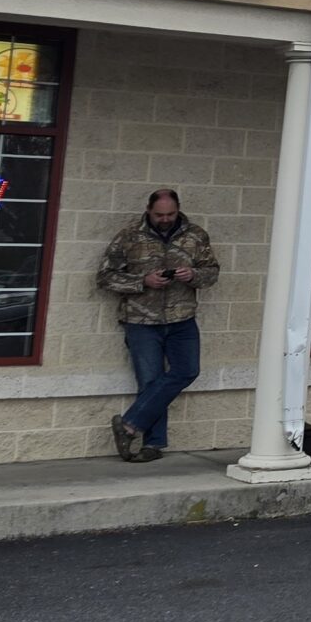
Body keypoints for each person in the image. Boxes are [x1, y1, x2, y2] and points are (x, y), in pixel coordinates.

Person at [95, 188, 220, 462]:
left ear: (178, 210)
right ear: (149, 210)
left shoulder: (196, 235)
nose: (165, 219)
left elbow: (212, 273)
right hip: (141, 320)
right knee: (150, 381)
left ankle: (129, 424)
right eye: (159, 214)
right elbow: (105, 277)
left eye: (170, 214)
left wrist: (193, 275)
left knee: (187, 371)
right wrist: (142, 282)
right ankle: (153, 445)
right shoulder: (129, 236)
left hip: (182, 319)